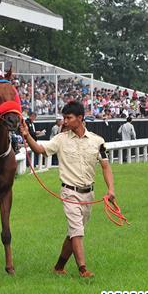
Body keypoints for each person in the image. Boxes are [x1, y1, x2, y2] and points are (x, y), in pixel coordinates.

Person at [20, 101, 116, 278]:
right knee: (77, 230)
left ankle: (59, 267)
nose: (64, 121)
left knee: (74, 232)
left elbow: (105, 166)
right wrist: (27, 136)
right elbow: (40, 149)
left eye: (68, 118)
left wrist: (111, 190)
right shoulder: (60, 139)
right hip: (69, 192)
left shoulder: (98, 141)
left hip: (89, 193)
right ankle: (83, 269)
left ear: (80, 118)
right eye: (64, 118)